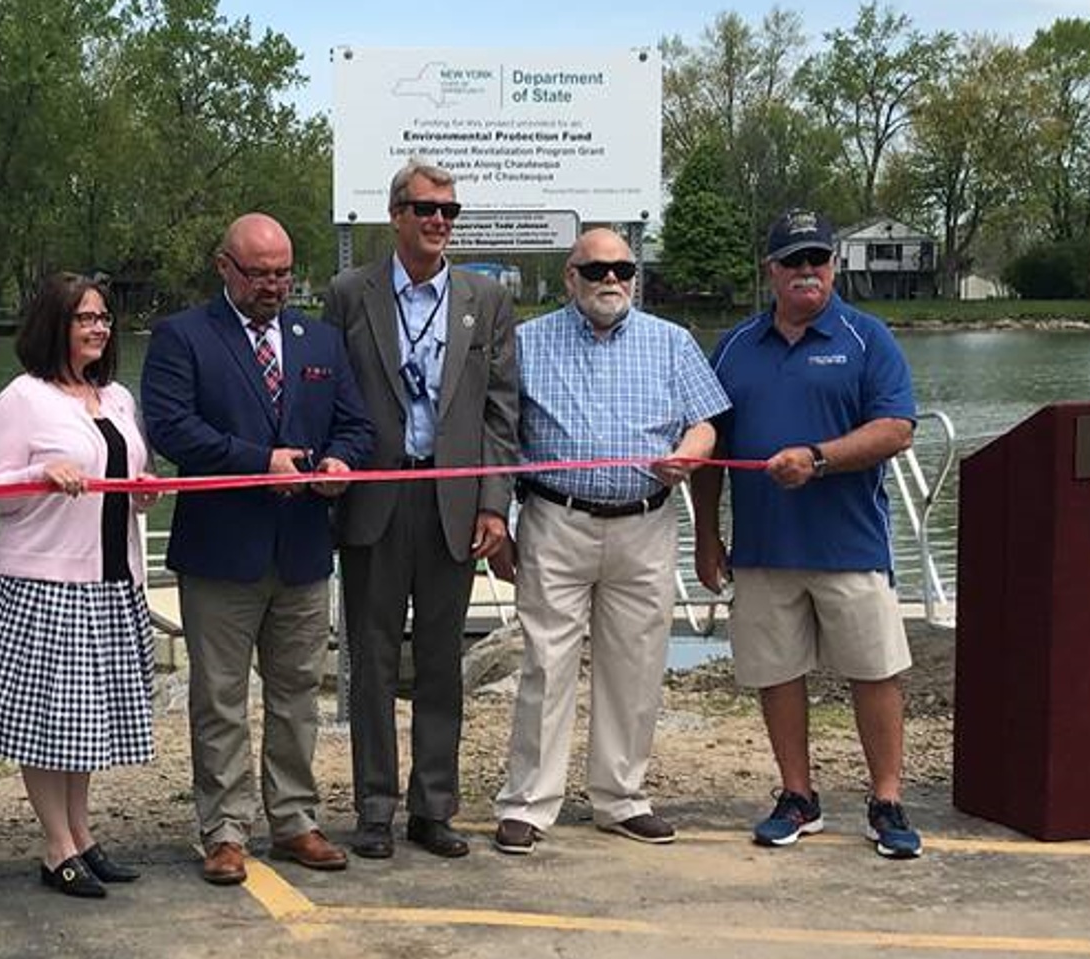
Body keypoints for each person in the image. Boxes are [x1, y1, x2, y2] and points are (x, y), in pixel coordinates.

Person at [141, 214, 373, 886]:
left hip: (303, 549)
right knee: (218, 696)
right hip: (221, 550)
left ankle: (295, 818)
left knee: (298, 691)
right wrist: (256, 461)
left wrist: (337, 463)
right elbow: (172, 428)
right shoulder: (182, 337)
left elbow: (355, 425)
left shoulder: (319, 339)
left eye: (283, 273)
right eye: (260, 273)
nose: (274, 286)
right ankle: (224, 829)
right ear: (225, 267)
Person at [689, 208, 923, 860]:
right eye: (792, 260)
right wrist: (708, 538)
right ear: (771, 271)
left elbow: (897, 429)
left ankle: (886, 799)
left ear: (834, 265)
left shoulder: (867, 338)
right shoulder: (735, 347)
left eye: (817, 259)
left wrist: (818, 458)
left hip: (851, 548)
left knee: (875, 671)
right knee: (778, 674)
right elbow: (709, 448)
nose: (806, 271)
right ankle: (798, 796)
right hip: (763, 551)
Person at [489, 228, 729, 856]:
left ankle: (621, 798)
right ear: (570, 278)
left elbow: (706, 423)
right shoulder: (526, 342)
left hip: (646, 523)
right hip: (554, 520)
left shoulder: (671, 342)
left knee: (638, 664)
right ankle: (528, 804)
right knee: (545, 664)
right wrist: (498, 526)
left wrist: (690, 453)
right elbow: (501, 438)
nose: (610, 282)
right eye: (595, 271)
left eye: (622, 269)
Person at [323, 158, 518, 860]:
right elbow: (330, 394)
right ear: (396, 215)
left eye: (450, 211)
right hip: (375, 494)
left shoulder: (485, 299)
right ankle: (374, 807)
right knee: (369, 661)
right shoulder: (350, 293)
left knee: (441, 659)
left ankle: (434, 807)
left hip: (454, 498)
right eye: (427, 209)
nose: (440, 222)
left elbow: (501, 410)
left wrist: (495, 503)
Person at [0, 273, 160, 899]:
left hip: (111, 578)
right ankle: (56, 847)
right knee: (50, 723)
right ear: (56, 325)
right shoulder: (22, 399)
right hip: (45, 585)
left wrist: (145, 491)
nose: (99, 328)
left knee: (86, 723)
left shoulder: (119, 399)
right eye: (85, 318)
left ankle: (81, 833)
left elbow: (125, 481)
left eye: (104, 318)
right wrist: (38, 472)